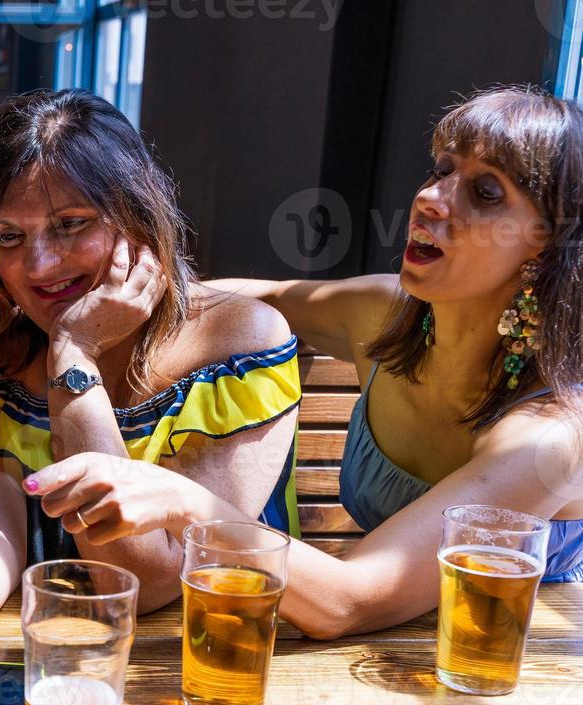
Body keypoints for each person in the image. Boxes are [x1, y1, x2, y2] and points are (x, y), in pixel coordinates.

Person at [150, 85, 582, 638]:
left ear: (546, 248)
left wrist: (185, 502)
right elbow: (257, 298)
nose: (431, 198)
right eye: (441, 170)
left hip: (511, 674)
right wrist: (109, 298)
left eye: (486, 191)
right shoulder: (384, 315)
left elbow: (349, 602)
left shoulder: (548, 436)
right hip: (383, 660)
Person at [0, 89, 300, 632]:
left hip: (213, 651)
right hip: (65, 651)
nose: (40, 263)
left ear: (135, 213)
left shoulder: (241, 340)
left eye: (71, 223)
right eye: (10, 236)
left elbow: (145, 580)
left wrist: (74, 353)